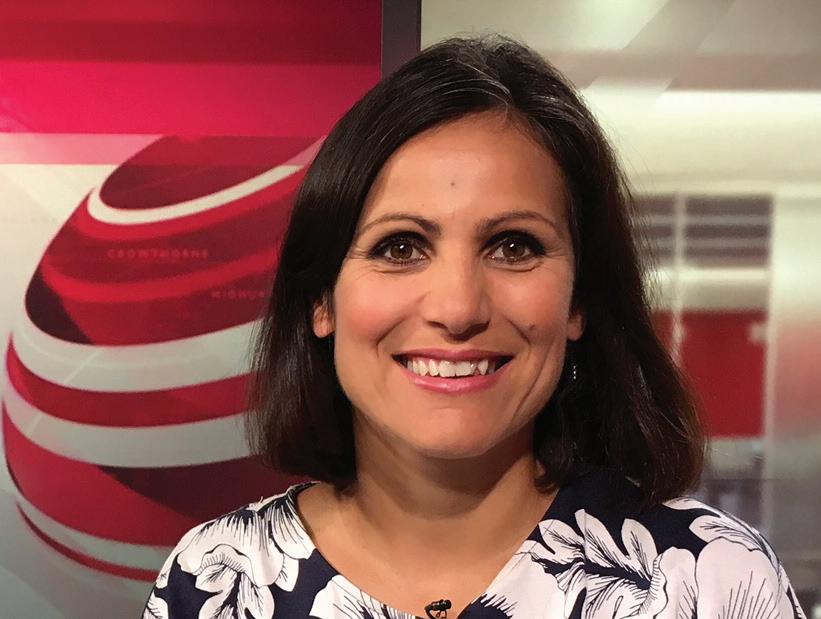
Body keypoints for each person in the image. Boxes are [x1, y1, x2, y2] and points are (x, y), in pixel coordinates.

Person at [142, 36, 806, 619]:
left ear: (578, 299)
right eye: (400, 247)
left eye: (514, 246)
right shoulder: (213, 581)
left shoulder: (710, 582)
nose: (459, 307)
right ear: (322, 300)